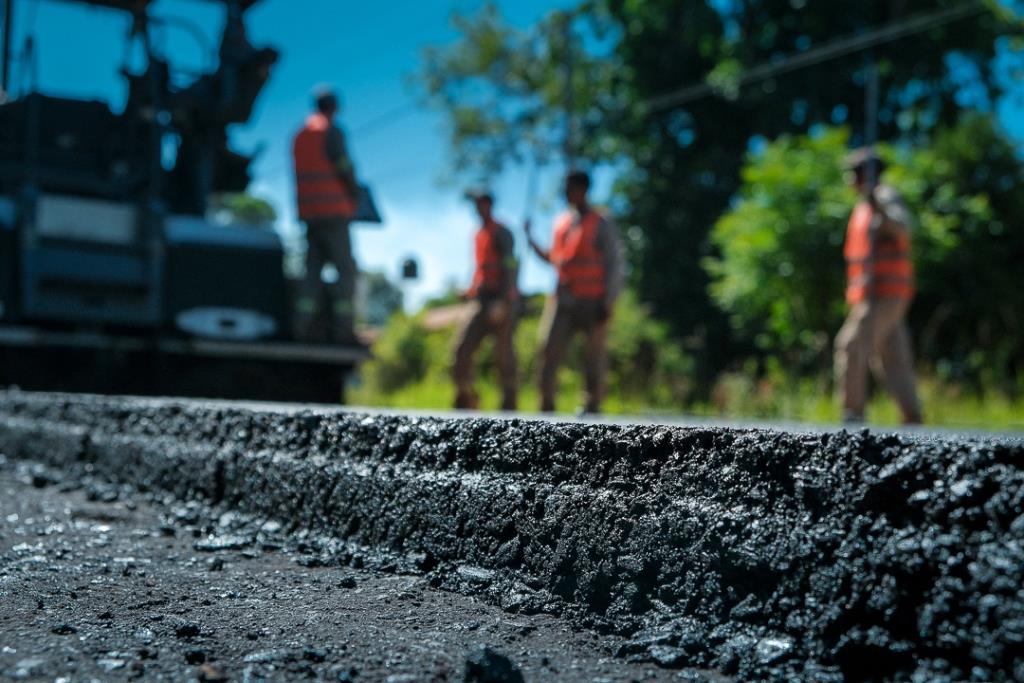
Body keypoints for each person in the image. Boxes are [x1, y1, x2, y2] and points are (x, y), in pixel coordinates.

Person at [834, 147, 923, 424]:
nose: (849, 180)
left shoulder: (884, 196)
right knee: (892, 358)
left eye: (853, 174)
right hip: (877, 293)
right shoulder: (864, 205)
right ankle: (913, 421)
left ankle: (852, 415)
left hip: (883, 294)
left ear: (864, 175)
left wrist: (880, 206)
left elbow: (903, 226)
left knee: (851, 345)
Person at [527, 170, 623, 414]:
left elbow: (614, 264)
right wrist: (531, 240)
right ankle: (546, 405)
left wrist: (608, 302)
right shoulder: (561, 222)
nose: (566, 192)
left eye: (570, 187)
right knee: (548, 349)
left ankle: (592, 405)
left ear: (583, 189)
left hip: (593, 301)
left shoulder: (601, 222)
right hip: (563, 300)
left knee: (593, 356)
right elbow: (554, 259)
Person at [292, 87, 359, 344]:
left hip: (309, 214)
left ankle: (302, 329)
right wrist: (354, 195)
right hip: (334, 212)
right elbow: (343, 167)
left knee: (311, 272)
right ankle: (343, 331)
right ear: (333, 106)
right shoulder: (330, 130)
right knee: (345, 270)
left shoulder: (300, 134)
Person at [452, 189, 519, 410]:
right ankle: (467, 400)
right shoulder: (478, 233)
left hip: (500, 300)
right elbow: (480, 269)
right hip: (480, 300)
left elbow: (510, 268)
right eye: (475, 204)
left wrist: (504, 301)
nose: (477, 208)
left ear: (489, 205)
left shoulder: (502, 232)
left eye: (481, 204)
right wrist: (470, 290)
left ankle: (509, 407)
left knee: (503, 356)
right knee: (461, 350)